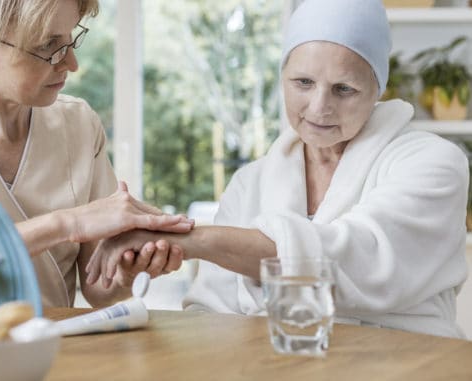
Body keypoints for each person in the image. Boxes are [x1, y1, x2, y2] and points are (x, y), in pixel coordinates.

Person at [85, 0, 469, 338]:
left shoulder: (433, 163)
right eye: (303, 82)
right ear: (282, 78)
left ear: (378, 89)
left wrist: (189, 239)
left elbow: (356, 258)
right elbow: (210, 311)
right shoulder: (250, 182)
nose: (319, 107)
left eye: (344, 89)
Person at [0, 0, 193, 308]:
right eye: (48, 46)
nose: (72, 64)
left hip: (56, 351)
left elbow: (99, 288)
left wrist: (124, 273)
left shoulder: (80, 124)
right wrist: (65, 224)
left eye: (72, 39)